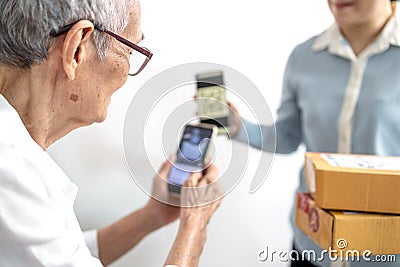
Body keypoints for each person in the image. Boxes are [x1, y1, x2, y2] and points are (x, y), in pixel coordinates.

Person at [0, 0, 222, 266]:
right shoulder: (11, 171)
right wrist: (195, 229)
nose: (129, 71)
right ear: (77, 48)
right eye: (130, 50)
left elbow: (56, 253)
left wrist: (153, 215)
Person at [230, 0, 400, 266]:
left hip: (384, 251)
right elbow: (287, 136)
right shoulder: (304, 57)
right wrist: (237, 126)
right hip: (313, 243)